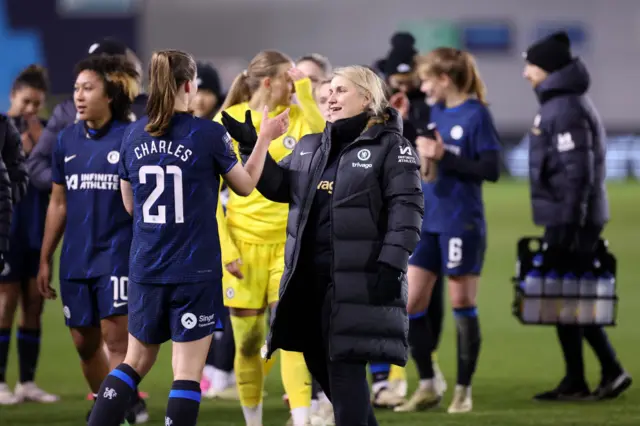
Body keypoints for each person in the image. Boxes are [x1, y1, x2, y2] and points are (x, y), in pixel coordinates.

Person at [86, 49, 289, 426]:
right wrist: (263, 139)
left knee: (134, 362)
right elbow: (244, 187)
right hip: (194, 271)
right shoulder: (208, 134)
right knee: (187, 372)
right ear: (188, 85)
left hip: (147, 267)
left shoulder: (132, 134)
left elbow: (130, 205)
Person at [225, 65, 424, 426]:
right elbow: (278, 186)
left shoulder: (392, 147)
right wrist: (251, 144)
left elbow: (407, 209)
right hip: (309, 281)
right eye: (328, 91)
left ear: (367, 98)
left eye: (340, 91)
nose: (330, 97)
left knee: (343, 368)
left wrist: (392, 263)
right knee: (320, 363)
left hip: (358, 279)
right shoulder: (311, 145)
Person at [215, 50, 324, 426]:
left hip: (289, 248)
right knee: (247, 344)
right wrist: (226, 248)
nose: (293, 85)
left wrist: (307, 91)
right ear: (267, 82)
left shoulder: (297, 117)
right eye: (288, 79)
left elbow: (326, 141)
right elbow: (211, 198)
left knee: (293, 334)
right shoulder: (226, 122)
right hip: (243, 248)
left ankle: (303, 419)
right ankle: (254, 421)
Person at [36, 54, 148, 424]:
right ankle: (115, 403)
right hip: (75, 259)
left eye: (88, 88)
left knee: (117, 343)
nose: (79, 97)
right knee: (84, 345)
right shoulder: (67, 139)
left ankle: (109, 414)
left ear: (111, 94)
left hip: (116, 256)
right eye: (76, 89)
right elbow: (58, 203)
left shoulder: (130, 138)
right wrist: (45, 256)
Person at [522, 31, 631, 401]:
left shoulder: (565, 107)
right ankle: (577, 379)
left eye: (531, 65)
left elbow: (578, 173)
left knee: (571, 298)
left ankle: (611, 370)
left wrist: (568, 225)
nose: (526, 73)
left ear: (548, 68)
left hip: (574, 220)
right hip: (570, 216)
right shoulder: (560, 103)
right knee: (562, 296)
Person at [400, 47, 501, 414]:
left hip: (461, 222)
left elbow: (491, 169)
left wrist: (446, 157)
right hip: (427, 222)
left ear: (444, 79)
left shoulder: (476, 115)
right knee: (410, 302)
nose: (422, 87)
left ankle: (463, 389)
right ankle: (428, 382)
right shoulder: (433, 113)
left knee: (461, 302)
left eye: (427, 80)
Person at [0, 65, 58, 405]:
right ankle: (0, 383)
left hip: (37, 229)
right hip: (8, 230)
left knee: (33, 304)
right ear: (12, 97)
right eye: (26, 102)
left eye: (38, 103)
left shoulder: (47, 132)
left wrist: (38, 145)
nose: (32, 110)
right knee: (5, 303)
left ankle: (27, 382)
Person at [26, 37, 147, 192]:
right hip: (82, 208)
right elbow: (37, 164)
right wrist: (73, 181)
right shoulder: (68, 112)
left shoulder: (147, 109)